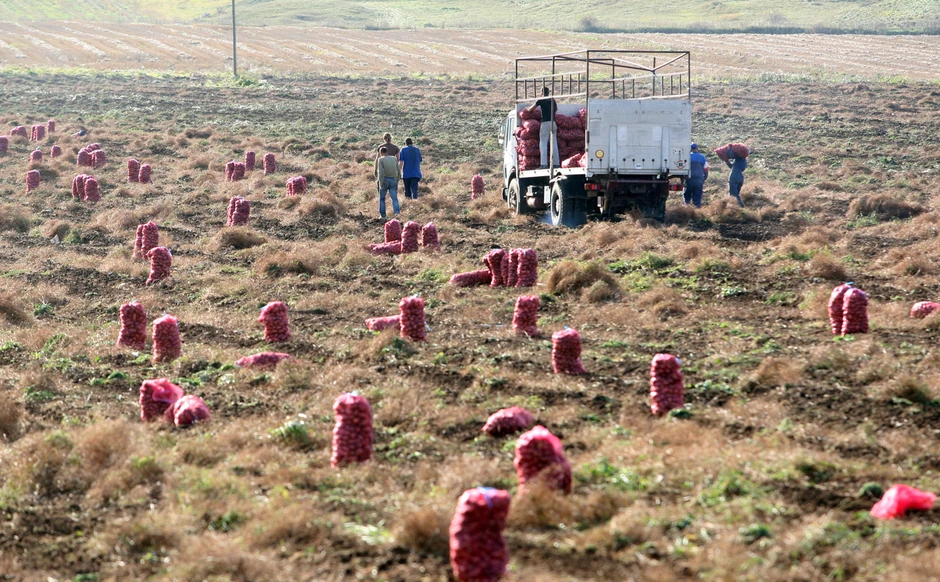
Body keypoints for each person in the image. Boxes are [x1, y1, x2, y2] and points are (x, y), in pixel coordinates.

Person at [525, 87, 559, 168]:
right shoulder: (552, 100)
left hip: (545, 123)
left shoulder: (541, 100)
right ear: (548, 92)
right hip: (553, 123)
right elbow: (556, 109)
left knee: (543, 143)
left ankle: (544, 164)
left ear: (541, 93)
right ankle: (556, 164)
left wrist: (526, 109)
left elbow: (531, 109)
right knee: (554, 143)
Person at [375, 146, 401, 219]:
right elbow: (398, 169)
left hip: (384, 180)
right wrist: (398, 179)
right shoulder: (394, 158)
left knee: (382, 199)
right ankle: (397, 214)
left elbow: (381, 172)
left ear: (381, 153)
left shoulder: (381, 159)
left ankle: (383, 216)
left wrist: (380, 183)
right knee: (394, 198)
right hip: (393, 180)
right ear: (387, 152)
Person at [683, 143, 709, 208]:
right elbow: (706, 168)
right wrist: (704, 178)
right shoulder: (702, 157)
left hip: (689, 180)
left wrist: (683, 179)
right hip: (699, 180)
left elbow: (683, 168)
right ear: (697, 148)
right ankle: (697, 210)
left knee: (687, 197)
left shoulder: (687, 157)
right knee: (697, 197)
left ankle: (687, 209)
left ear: (690, 149)